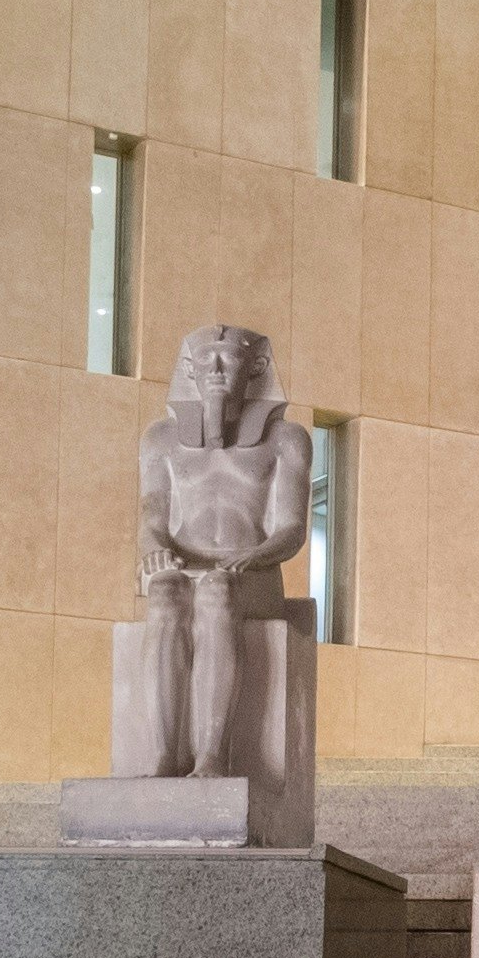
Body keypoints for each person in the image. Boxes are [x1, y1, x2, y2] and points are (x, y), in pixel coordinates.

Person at [131, 324, 309, 779]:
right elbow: (152, 520)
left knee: (216, 590)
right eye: (205, 359)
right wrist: (155, 549)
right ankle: (164, 755)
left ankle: (211, 754)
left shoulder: (286, 439)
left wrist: (258, 554)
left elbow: (291, 529)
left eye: (227, 358)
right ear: (189, 370)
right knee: (165, 594)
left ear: (256, 367)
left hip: (252, 571)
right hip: (184, 564)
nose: (215, 370)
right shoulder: (160, 439)